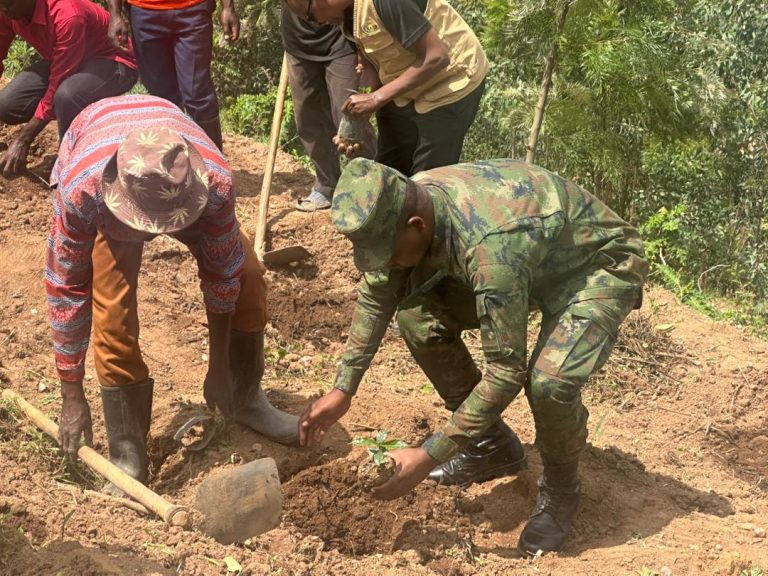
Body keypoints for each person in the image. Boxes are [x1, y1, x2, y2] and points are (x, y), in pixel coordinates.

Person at [299, 158, 649, 555]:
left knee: (550, 382)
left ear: (417, 227)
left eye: (389, 253)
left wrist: (430, 453)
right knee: (418, 320)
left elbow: (506, 372)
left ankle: (561, 490)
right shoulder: (405, 200)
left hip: (597, 266)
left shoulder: (490, 249)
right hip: (529, 259)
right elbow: (379, 292)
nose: (387, 263)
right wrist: (343, 388)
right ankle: (491, 446)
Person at [47, 95, 299, 492]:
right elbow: (67, 289)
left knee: (248, 276)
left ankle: (246, 397)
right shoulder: (83, 193)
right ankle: (128, 452)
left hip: (183, 188)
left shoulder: (214, 183)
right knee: (112, 310)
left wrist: (220, 369)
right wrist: (71, 393)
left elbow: (223, 275)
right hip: (104, 174)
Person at [285, 0, 486, 177]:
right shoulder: (346, 16)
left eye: (310, 17)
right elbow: (371, 63)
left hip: (450, 84)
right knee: (389, 173)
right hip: (406, 85)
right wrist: (356, 120)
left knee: (427, 181)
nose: (317, 24)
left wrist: (376, 98)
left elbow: (436, 56)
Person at [0, 0, 138, 176]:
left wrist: (23, 140)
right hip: (65, 58)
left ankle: (71, 163)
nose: (4, 9)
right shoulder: (6, 10)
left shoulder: (68, 15)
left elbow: (57, 83)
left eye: (10, 4)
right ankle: (74, 119)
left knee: (67, 95)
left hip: (113, 62)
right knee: (6, 105)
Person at [106, 0, 239, 151]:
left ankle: (213, 159)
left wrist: (228, 7)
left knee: (197, 95)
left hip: (193, 10)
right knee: (162, 97)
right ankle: (175, 159)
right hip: (144, 13)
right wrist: (115, 14)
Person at [281, 1, 375, 212]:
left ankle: (368, 187)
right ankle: (327, 186)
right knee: (307, 117)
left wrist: (362, 45)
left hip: (342, 40)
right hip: (297, 42)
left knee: (349, 118)